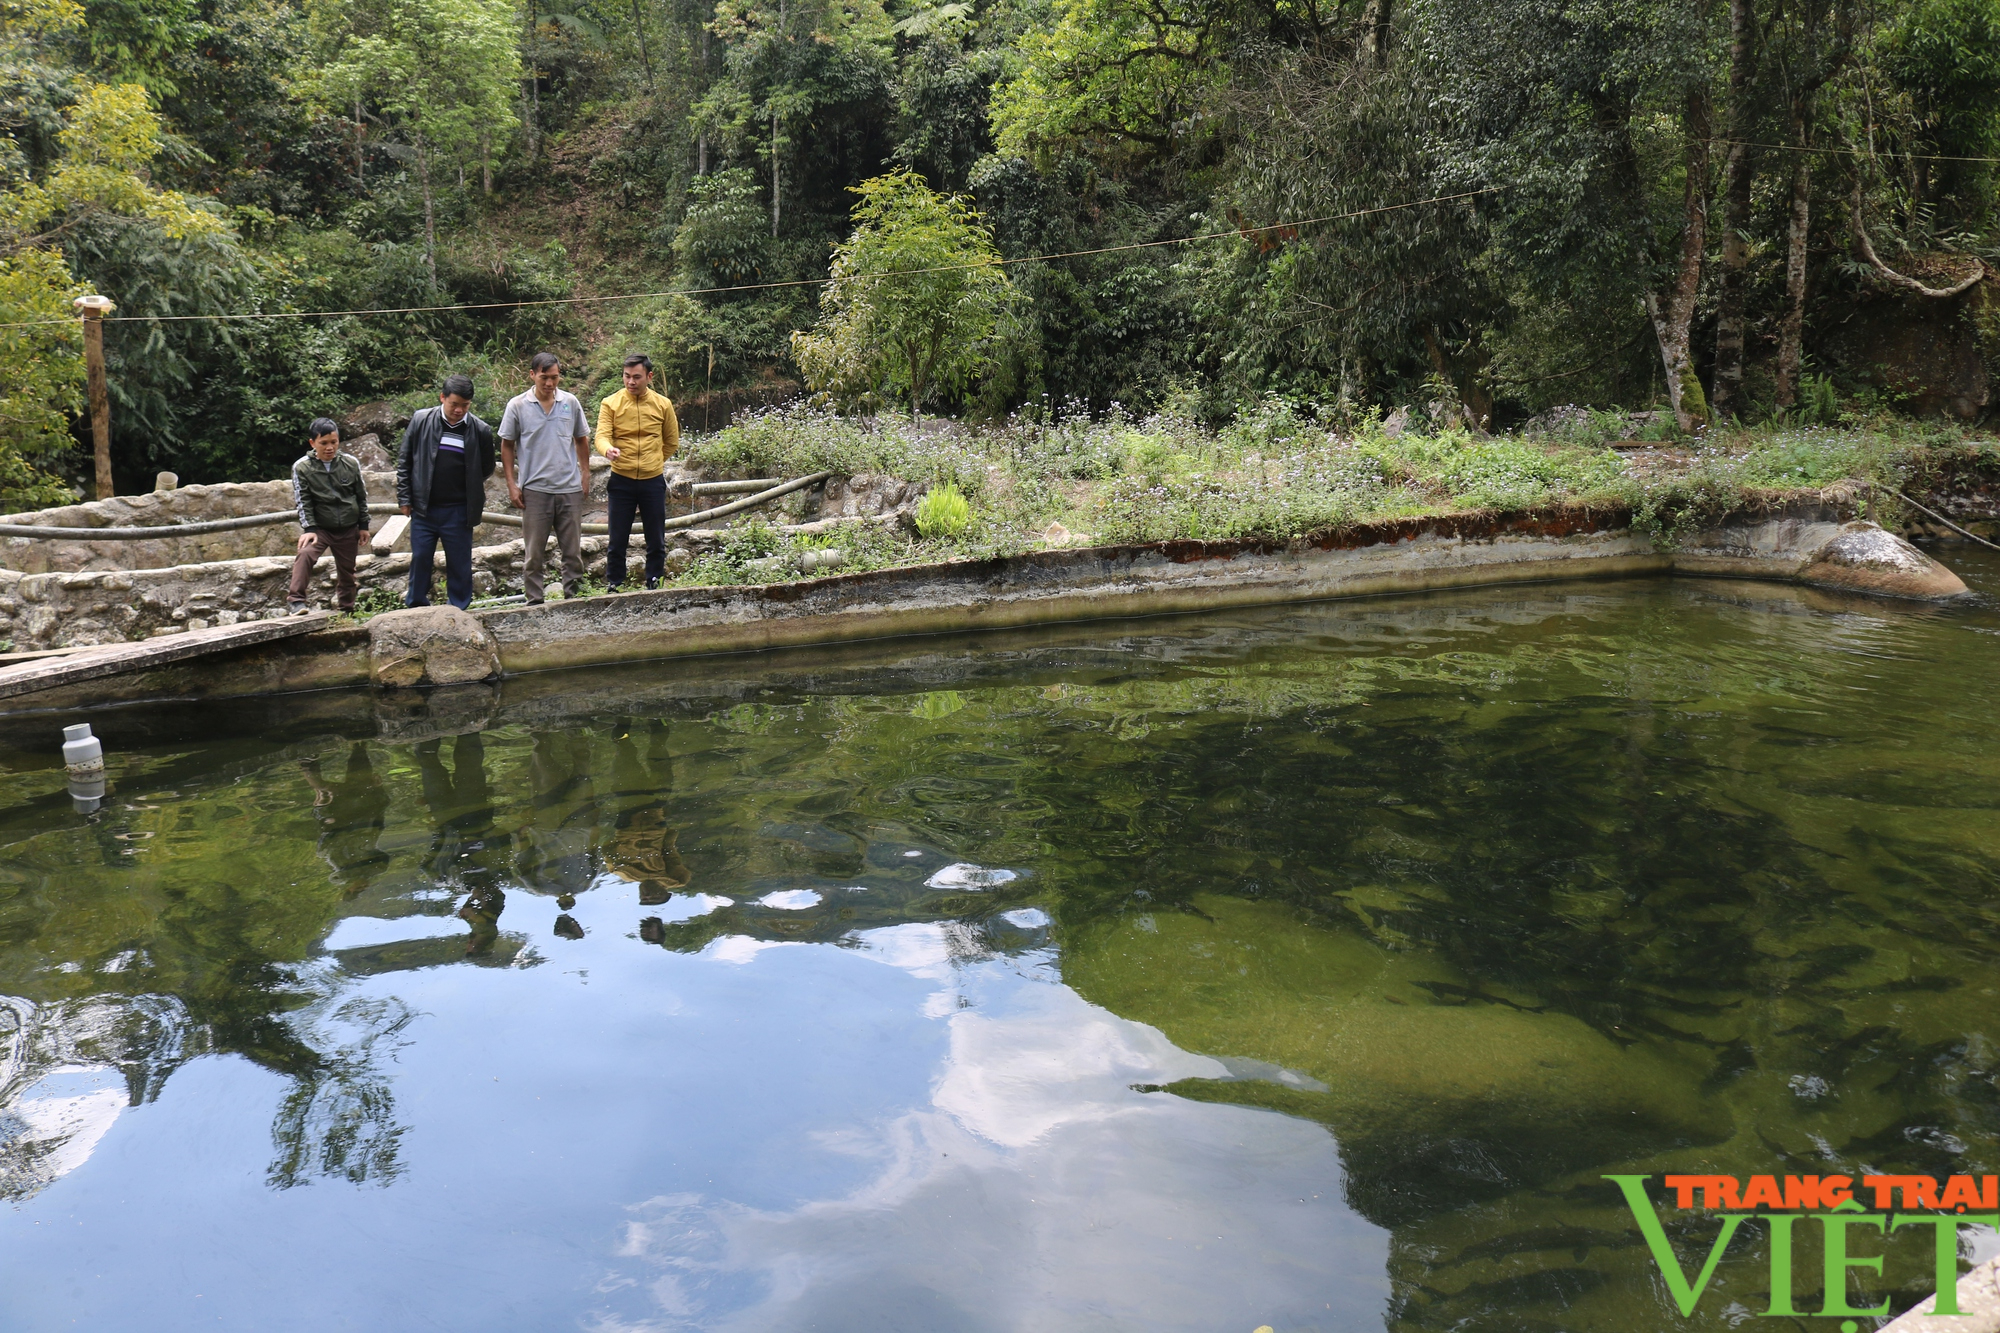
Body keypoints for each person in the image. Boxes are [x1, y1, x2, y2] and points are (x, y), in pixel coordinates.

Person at [499, 353, 593, 605]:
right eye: (544, 378)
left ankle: (575, 601)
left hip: (569, 489)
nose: (550, 383)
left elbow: (581, 439)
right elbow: (507, 445)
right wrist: (512, 484)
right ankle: (534, 603)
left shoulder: (570, 403)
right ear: (532, 375)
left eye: (554, 377)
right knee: (533, 555)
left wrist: (585, 473)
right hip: (535, 491)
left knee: (572, 553)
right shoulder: (517, 405)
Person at [396, 374, 496, 610]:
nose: (459, 410)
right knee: (420, 558)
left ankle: (458, 607)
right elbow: (405, 461)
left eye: (465, 405)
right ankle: (417, 604)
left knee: (459, 562)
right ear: (443, 398)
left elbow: (486, 468)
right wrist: (405, 496)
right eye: (454, 404)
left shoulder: (480, 430)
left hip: (459, 509)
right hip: (424, 507)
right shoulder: (421, 420)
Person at [594, 353, 680, 590]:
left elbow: (671, 441)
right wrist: (607, 450)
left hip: (652, 479)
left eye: (636, 377)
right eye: (626, 376)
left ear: (649, 377)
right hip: (621, 478)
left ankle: (654, 580)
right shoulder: (610, 403)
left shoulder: (663, 404)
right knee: (618, 537)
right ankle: (615, 582)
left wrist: (654, 460)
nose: (631, 382)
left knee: (656, 536)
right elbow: (601, 436)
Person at [288, 418, 371, 614]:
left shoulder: (350, 463)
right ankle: (296, 602)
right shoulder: (302, 468)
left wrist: (364, 525)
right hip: (321, 529)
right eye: (323, 443)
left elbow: (361, 495)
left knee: (347, 573)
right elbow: (303, 500)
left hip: (348, 527)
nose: (329, 447)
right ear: (312, 443)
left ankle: (346, 610)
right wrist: (309, 529)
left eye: (333, 442)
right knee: (305, 554)